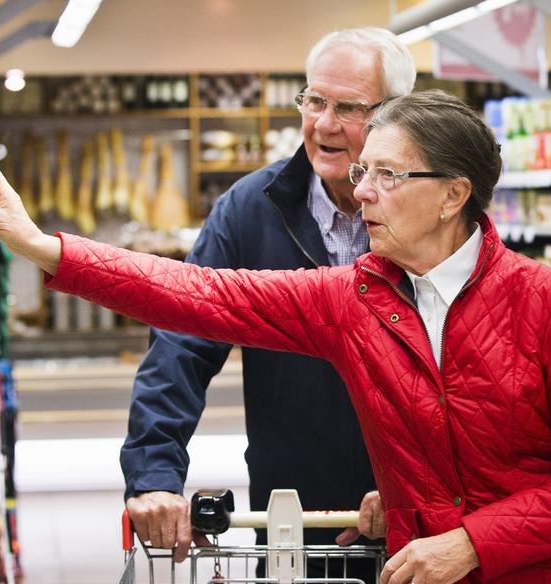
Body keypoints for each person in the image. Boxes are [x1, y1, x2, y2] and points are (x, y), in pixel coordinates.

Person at [0, 89, 551, 584]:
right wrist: (43, 247)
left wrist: (471, 541)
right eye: (362, 171)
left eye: (386, 174)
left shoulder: (550, 302)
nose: (362, 192)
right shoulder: (352, 299)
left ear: (452, 195)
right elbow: (200, 294)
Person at [121, 26, 415, 571]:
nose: (323, 124)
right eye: (313, 100)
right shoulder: (249, 210)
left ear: (394, 114)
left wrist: (421, 485)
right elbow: (182, 338)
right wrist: (153, 474)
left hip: (416, 519)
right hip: (293, 517)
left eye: (347, 107)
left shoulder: (428, 210)